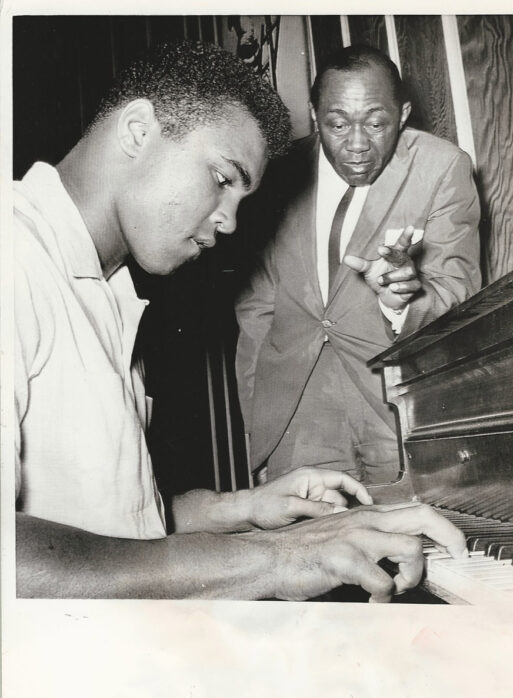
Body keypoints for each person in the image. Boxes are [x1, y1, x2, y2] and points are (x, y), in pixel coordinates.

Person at [14, 40, 467, 600]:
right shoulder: (14, 259)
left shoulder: (107, 291)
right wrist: (273, 557)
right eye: (222, 178)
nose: (229, 224)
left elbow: (116, 525)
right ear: (137, 131)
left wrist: (244, 507)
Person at [236, 45, 481, 484]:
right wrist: (260, 431)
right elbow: (257, 307)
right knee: (304, 548)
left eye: (375, 123)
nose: (356, 145)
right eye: (337, 124)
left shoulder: (443, 168)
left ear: (402, 114)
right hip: (295, 412)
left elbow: (458, 293)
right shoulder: (279, 173)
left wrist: (403, 300)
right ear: (314, 115)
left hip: (396, 406)